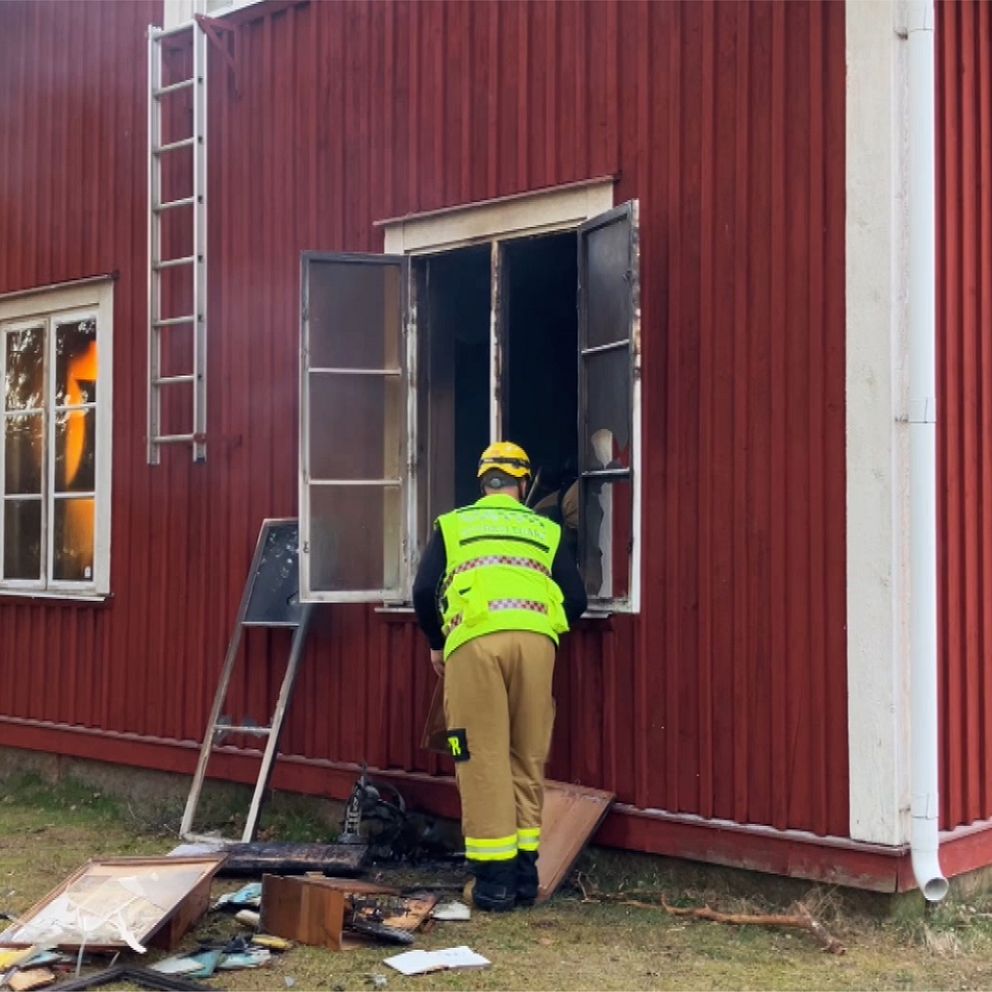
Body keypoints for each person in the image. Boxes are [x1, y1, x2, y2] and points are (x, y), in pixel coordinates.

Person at [412, 441, 587, 911]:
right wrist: (543, 627)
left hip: (474, 644)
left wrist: (436, 641)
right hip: (536, 645)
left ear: (482, 482)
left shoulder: (455, 524)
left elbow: (424, 589)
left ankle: (493, 885)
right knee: (527, 755)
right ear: (523, 484)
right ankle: (525, 878)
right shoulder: (545, 528)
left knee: (476, 755)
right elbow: (577, 599)